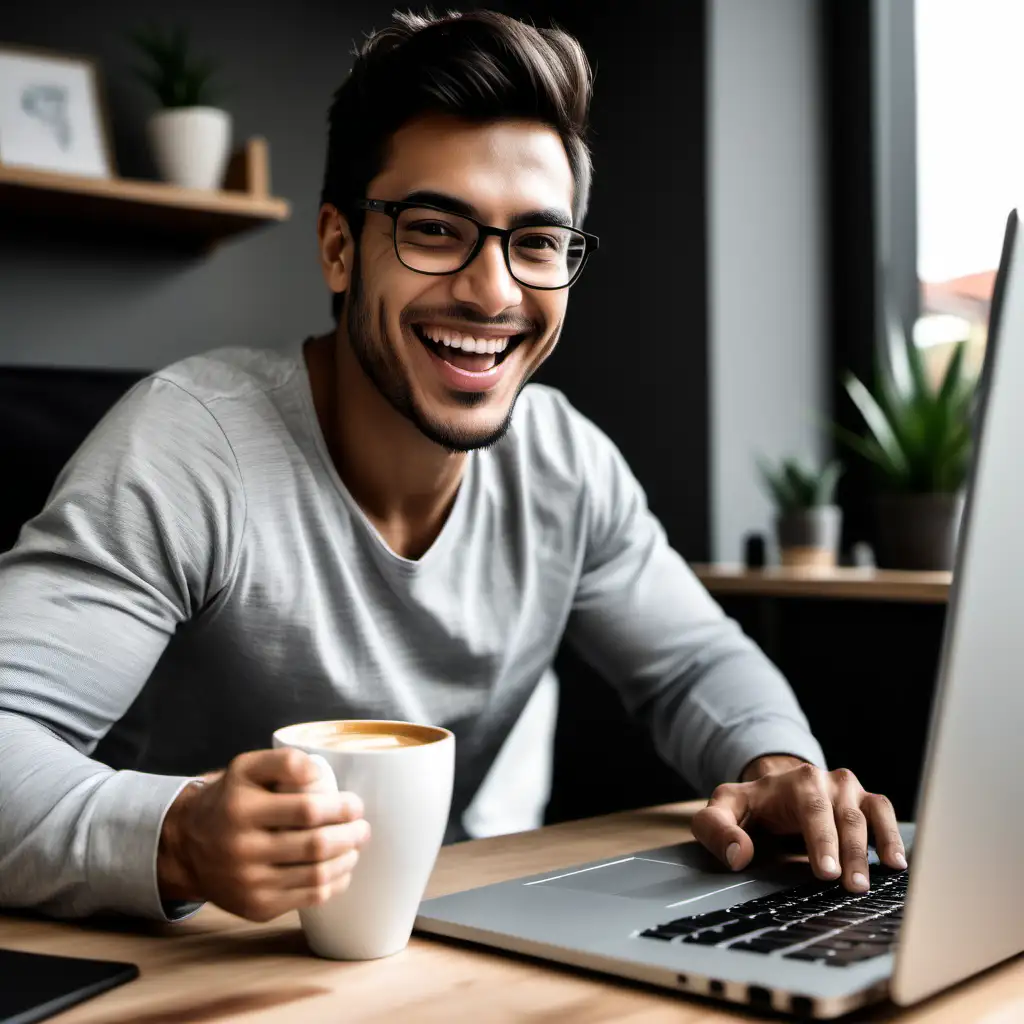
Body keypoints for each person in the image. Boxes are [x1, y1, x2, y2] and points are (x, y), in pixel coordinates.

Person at [0, 9, 906, 926]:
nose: (495, 290)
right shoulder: (189, 447)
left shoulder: (566, 463)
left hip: (442, 935)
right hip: (196, 965)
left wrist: (778, 771)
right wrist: (180, 835)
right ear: (339, 246)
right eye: (436, 229)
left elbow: (693, 665)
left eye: (539, 243)